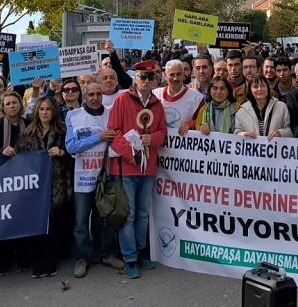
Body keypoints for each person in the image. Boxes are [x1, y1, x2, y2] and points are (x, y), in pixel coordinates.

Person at [106, 60, 167, 279]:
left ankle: (141, 252)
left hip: (148, 169)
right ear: (135, 78)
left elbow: (163, 132)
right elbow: (113, 132)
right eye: (143, 77)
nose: (147, 81)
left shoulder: (157, 104)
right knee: (129, 215)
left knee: (142, 214)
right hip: (126, 168)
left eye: (151, 78)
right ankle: (129, 257)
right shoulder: (122, 99)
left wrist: (153, 138)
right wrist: (131, 152)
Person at [65, 83, 123, 278]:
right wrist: (98, 137)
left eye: (98, 94)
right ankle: (82, 257)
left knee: (106, 218)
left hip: (106, 176)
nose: (95, 97)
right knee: (81, 222)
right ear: (84, 96)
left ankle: (106, 254)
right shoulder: (74, 116)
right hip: (83, 178)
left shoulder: (111, 113)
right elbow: (71, 147)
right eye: (91, 94)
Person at [18, 97, 74, 278]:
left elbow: (74, 157)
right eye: (41, 109)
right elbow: (20, 158)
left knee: (54, 225)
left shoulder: (63, 130)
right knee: (38, 226)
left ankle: (51, 263)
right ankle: (38, 263)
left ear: (54, 111)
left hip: (58, 185)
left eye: (48, 109)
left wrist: (62, 152)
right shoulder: (28, 132)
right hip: (35, 187)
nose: (44, 112)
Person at [0, 91, 28, 276]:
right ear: (2, 107)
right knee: (4, 221)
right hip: (3, 180)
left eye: (14, 102)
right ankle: (4, 261)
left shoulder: (28, 124)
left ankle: (23, 258)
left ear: (20, 104)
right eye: (7, 103)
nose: (11, 106)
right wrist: (3, 150)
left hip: (25, 178)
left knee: (22, 218)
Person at [154, 60, 205, 135]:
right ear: (165, 75)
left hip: (184, 144)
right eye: (172, 74)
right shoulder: (155, 94)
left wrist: (190, 124)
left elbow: (202, 121)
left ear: (183, 75)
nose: (175, 78)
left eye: (178, 74)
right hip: (160, 144)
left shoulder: (197, 98)